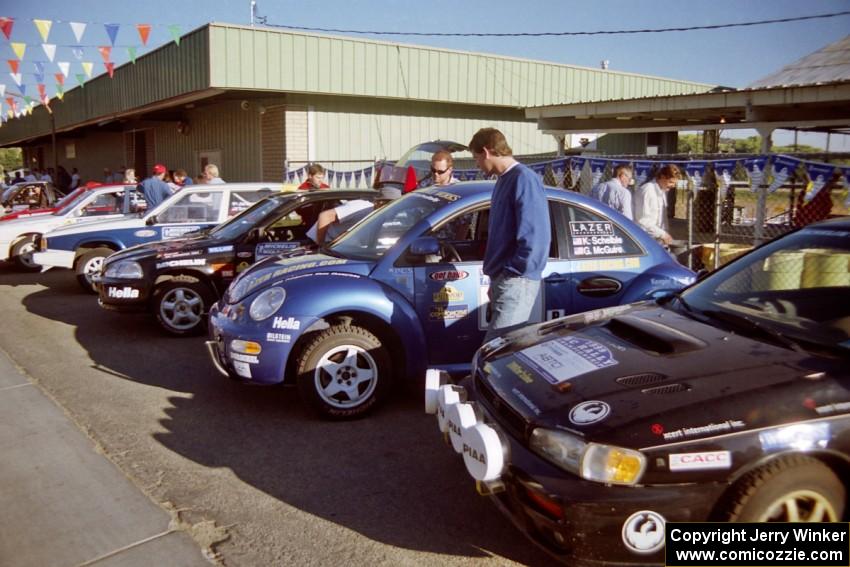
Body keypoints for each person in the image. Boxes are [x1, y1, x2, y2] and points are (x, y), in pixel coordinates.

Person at [469, 127, 550, 342]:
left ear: (486, 152)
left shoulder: (524, 179)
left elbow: (536, 237)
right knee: (502, 352)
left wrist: (512, 272)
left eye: (476, 158)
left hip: (516, 281)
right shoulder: (504, 179)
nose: (476, 164)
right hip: (505, 279)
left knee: (496, 351)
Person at [310, 186, 402, 245]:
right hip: (319, 241)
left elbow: (349, 234)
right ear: (380, 202)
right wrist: (321, 245)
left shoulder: (380, 216)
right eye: (393, 205)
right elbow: (325, 216)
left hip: (338, 243)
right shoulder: (360, 207)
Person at [634, 164, 681, 246]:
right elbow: (642, 220)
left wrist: (664, 234)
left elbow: (662, 218)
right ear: (662, 177)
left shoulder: (662, 191)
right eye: (670, 182)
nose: (672, 186)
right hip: (644, 239)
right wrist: (662, 234)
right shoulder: (648, 190)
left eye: (674, 183)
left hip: (657, 239)